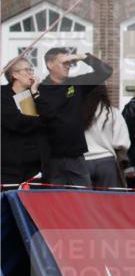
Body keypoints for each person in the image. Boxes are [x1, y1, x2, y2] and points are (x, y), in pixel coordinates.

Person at [37, 48, 113, 187]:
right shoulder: (39, 89)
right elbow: (44, 114)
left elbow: (106, 71)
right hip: (51, 158)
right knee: (55, 198)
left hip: (76, 155)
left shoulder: (76, 83)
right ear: (50, 64)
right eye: (64, 62)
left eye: (69, 62)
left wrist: (82, 56)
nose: (68, 66)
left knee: (84, 196)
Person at [1, 57, 48, 185]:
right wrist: (41, 120)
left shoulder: (36, 93)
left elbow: (49, 115)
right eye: (27, 70)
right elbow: (17, 122)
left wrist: (35, 93)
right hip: (9, 166)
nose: (31, 73)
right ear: (15, 75)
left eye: (31, 70)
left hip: (37, 166)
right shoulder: (3, 94)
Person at [82, 84, 130, 188]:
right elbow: (122, 142)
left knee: (85, 198)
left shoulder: (78, 113)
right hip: (107, 163)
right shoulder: (113, 112)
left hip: (84, 162)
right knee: (107, 198)